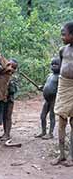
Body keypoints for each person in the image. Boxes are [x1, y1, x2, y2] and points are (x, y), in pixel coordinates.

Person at [51, 21, 73, 166]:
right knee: (61, 122)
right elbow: (58, 69)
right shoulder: (63, 50)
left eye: (64, 34)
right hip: (63, 87)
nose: (62, 37)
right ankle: (61, 154)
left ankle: (71, 156)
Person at [35, 57, 60, 140]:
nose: (54, 66)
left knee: (52, 116)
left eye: (56, 65)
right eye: (52, 64)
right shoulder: (49, 75)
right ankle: (43, 132)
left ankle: (50, 133)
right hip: (47, 100)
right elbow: (46, 85)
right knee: (42, 116)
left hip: (54, 99)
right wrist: (41, 87)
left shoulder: (60, 77)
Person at [0, 58, 18, 141]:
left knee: (8, 117)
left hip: (9, 100)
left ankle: (7, 134)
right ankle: (5, 133)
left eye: (13, 67)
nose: (11, 68)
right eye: (9, 65)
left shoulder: (13, 78)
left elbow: (13, 90)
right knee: (4, 116)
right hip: (3, 100)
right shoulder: (3, 75)